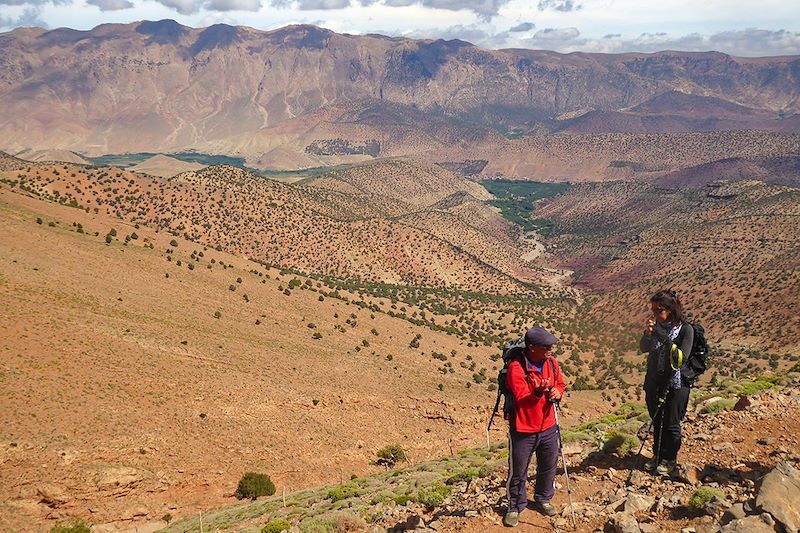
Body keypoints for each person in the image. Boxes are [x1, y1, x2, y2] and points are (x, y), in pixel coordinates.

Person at [503, 326, 566, 528]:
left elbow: (561, 383)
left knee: (548, 465)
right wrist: (537, 393)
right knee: (518, 470)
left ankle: (543, 498)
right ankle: (515, 506)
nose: (551, 349)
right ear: (531, 348)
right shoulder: (516, 367)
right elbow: (521, 398)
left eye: (551, 345)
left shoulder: (552, 363)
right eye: (546, 346)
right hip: (523, 429)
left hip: (548, 425)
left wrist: (557, 391)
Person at [640, 289, 694, 475]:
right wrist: (648, 334)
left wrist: (662, 337)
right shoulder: (656, 328)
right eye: (653, 310)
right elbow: (644, 348)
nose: (654, 314)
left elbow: (681, 357)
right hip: (655, 381)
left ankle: (669, 459)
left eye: (658, 310)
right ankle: (657, 455)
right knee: (657, 421)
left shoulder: (686, 330)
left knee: (671, 423)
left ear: (670, 310)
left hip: (676, 384)